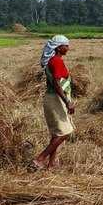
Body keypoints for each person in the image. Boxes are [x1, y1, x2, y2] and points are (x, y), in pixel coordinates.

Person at [32, 35, 75, 169]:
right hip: (55, 99)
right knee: (65, 132)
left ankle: (50, 165)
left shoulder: (55, 60)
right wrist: (67, 102)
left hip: (54, 99)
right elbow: (57, 84)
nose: (68, 48)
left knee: (57, 133)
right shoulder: (56, 61)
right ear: (58, 47)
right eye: (66, 45)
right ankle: (40, 159)